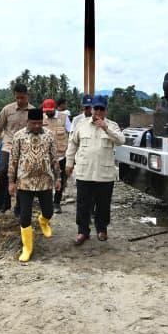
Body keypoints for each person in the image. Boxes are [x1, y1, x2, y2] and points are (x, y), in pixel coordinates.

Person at [66, 94, 124, 244]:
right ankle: (83, 232)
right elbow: (72, 144)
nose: (98, 112)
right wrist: (69, 163)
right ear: (91, 109)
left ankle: (102, 229)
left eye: (101, 109)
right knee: (83, 204)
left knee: (103, 204)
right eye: (95, 108)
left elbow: (121, 141)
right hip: (85, 172)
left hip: (104, 174)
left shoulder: (112, 125)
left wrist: (105, 128)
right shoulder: (81, 124)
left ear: (105, 110)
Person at [8, 108, 60, 262]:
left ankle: (43, 221)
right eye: (34, 123)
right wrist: (11, 181)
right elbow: (14, 160)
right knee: (24, 216)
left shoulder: (49, 136)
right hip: (24, 182)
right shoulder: (18, 136)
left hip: (45, 181)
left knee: (49, 211)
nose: (37, 126)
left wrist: (58, 178)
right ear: (28, 122)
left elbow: (54, 158)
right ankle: (28, 248)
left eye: (39, 123)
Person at [0, 83, 32, 216]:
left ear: (27, 96)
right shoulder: (7, 110)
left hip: (25, 149)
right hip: (8, 146)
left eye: (22, 98)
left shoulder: (33, 111)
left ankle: (19, 206)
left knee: (21, 177)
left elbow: (39, 130)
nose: (19, 101)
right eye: (17, 98)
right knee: (3, 171)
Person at [42, 98, 69, 213]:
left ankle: (57, 203)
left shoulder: (64, 118)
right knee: (46, 179)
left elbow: (71, 133)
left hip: (61, 156)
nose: (47, 113)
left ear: (54, 108)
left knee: (60, 179)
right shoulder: (42, 118)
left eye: (49, 110)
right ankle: (46, 203)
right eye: (46, 111)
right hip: (45, 156)